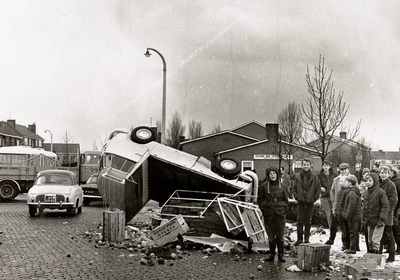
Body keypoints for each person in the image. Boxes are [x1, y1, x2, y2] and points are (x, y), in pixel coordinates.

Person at [258, 167, 289, 262]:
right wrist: (266, 208)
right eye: (271, 174)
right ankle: (271, 255)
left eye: (274, 174)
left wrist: (281, 208)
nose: (272, 175)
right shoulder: (263, 187)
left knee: (280, 234)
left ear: (277, 174)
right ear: (268, 175)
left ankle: (280, 255)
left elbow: (286, 201)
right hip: (269, 214)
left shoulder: (283, 186)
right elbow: (260, 201)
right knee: (271, 234)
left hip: (280, 214)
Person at [292, 158, 321, 246]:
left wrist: (314, 198)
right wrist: (297, 197)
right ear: (302, 165)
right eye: (304, 164)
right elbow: (294, 188)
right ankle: (299, 239)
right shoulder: (297, 176)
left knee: (308, 221)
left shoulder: (315, 177)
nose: (306, 166)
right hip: (300, 202)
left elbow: (318, 188)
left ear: (310, 165)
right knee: (299, 221)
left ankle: (307, 239)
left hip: (310, 202)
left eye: (307, 165)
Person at [362, 172, 389, 254]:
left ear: (375, 181)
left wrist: (382, 218)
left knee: (375, 241)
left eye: (370, 180)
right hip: (369, 220)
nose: (368, 182)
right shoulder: (366, 193)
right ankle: (370, 256)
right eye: (366, 180)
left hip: (379, 220)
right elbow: (365, 206)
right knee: (370, 240)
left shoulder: (380, 192)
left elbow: (385, 206)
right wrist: (364, 218)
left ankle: (375, 258)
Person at [378, 166, 398, 262]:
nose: (383, 174)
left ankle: (391, 255)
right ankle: (378, 255)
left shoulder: (390, 185)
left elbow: (393, 200)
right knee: (379, 236)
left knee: (389, 235)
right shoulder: (378, 183)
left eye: (385, 173)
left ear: (389, 174)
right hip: (378, 213)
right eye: (381, 172)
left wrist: (386, 210)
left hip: (387, 214)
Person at [330, 163, 351, 249]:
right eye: (342, 170)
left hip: (348, 205)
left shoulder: (352, 178)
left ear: (348, 169)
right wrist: (334, 200)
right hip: (338, 205)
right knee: (337, 224)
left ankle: (349, 243)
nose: (343, 171)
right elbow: (332, 191)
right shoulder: (336, 179)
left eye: (345, 169)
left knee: (347, 225)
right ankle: (337, 241)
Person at [340, 175, 362, 254]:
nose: (345, 183)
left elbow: (351, 206)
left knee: (352, 232)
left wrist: (348, 216)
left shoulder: (352, 193)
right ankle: (355, 247)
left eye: (346, 181)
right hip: (355, 216)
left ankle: (352, 249)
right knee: (354, 232)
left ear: (349, 183)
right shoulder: (355, 191)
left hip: (353, 217)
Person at [318, 161, 337, 244]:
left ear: (329, 167)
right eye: (324, 166)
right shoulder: (319, 176)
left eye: (327, 166)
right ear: (322, 167)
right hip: (325, 197)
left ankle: (334, 232)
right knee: (329, 215)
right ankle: (331, 233)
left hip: (333, 197)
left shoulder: (334, 175)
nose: (326, 167)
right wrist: (320, 188)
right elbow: (316, 185)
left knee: (334, 215)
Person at [389, 166, 400, 254]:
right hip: (393, 209)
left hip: (396, 209)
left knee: (396, 229)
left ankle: (399, 248)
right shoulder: (391, 182)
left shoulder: (397, 182)